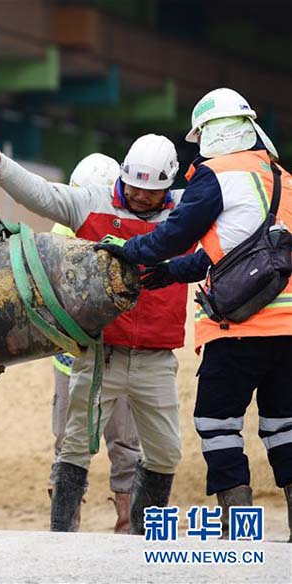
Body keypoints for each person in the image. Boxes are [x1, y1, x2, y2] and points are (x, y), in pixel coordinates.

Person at [96, 88, 292, 541]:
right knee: (283, 425)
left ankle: (238, 529)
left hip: (238, 327)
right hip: (288, 329)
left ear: (208, 134)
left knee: (217, 422)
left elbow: (173, 235)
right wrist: (169, 275)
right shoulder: (279, 177)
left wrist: (127, 252)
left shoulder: (215, 174)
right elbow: (239, 251)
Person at [0, 133, 190, 535]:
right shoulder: (92, 202)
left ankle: (140, 534)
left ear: (168, 185)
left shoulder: (186, 215)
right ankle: (62, 535)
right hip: (100, 352)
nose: (140, 197)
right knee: (75, 445)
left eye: (150, 191)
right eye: (135, 187)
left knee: (165, 452)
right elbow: (40, 195)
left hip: (156, 357)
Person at [47, 154, 140, 534]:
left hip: (114, 353)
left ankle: (126, 523)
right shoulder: (61, 231)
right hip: (75, 360)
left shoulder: (125, 226)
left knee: (123, 445)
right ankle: (70, 524)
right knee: (73, 444)